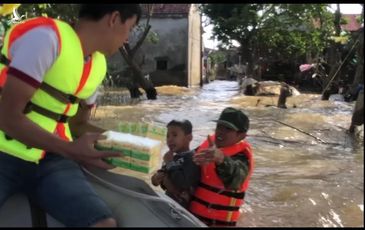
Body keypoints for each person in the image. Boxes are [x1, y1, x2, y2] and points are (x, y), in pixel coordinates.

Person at [0, 4, 141, 227]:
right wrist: (70, 149)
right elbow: (7, 117)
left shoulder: (98, 65)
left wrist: (125, 145)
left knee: (103, 224)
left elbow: (78, 125)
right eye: (130, 28)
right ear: (114, 18)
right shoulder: (46, 40)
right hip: (4, 153)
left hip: (51, 159)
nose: (127, 39)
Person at [189, 107, 254, 227]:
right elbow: (185, 161)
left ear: (241, 135)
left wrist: (221, 159)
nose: (220, 132)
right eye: (219, 127)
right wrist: (163, 171)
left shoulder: (242, 158)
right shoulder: (208, 146)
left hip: (220, 223)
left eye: (228, 129)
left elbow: (236, 179)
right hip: (193, 217)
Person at [151, 119, 200, 209]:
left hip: (181, 210)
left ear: (189, 138)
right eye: (168, 136)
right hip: (169, 203)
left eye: (174, 135)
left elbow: (182, 183)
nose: (170, 140)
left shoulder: (192, 158)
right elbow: (163, 176)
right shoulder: (172, 157)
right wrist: (156, 179)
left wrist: (169, 163)